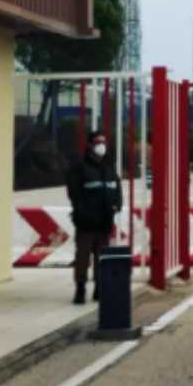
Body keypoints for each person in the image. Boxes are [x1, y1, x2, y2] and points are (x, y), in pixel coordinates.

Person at [64, 131, 122, 305]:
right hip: (86, 222)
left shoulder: (109, 168)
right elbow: (74, 194)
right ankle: (80, 288)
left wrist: (116, 205)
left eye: (104, 142)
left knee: (101, 257)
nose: (101, 145)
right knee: (82, 256)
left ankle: (99, 288)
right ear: (90, 145)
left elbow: (116, 189)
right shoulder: (80, 168)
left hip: (105, 222)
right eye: (98, 142)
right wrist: (83, 213)